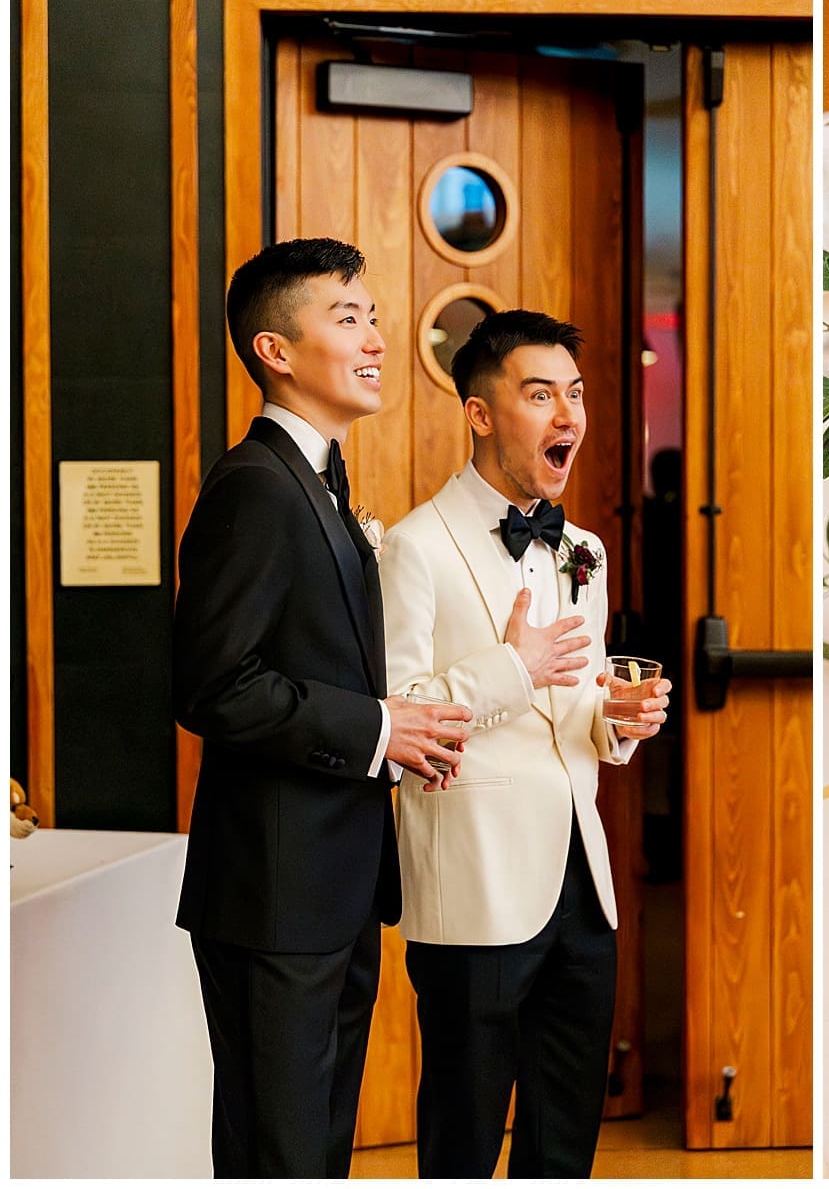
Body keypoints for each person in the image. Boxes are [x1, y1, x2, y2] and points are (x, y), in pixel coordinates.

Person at [173, 238, 471, 1177]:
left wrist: (401, 732)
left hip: (328, 884)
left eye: (375, 316)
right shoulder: (256, 487)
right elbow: (213, 684)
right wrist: (377, 727)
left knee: (314, 1151)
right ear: (276, 350)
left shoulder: (321, 484)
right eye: (348, 318)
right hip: (274, 891)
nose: (376, 337)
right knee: (282, 1152)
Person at [381, 309, 670, 1177]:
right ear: (479, 412)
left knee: (565, 1135)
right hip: (473, 885)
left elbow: (575, 711)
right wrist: (512, 666)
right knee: (464, 1139)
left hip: (582, 888)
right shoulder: (413, 547)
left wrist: (615, 722)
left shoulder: (584, 550)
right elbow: (397, 719)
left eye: (573, 395)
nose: (567, 416)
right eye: (539, 394)